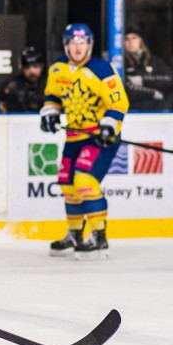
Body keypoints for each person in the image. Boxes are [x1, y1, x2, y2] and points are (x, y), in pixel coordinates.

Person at [40, 23, 129, 260]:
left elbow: (118, 102)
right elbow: (52, 96)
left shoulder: (102, 69)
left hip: (99, 138)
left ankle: (99, 238)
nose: (77, 48)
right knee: (68, 185)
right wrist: (50, 113)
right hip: (73, 137)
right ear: (66, 45)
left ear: (89, 45)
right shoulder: (58, 69)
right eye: (73, 43)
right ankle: (75, 235)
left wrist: (109, 125)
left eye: (82, 43)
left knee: (85, 181)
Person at [122, 28, 173, 111]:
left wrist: (143, 80)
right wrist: (152, 93)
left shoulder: (153, 60)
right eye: (126, 39)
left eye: (134, 38)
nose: (130, 42)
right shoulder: (121, 62)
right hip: (133, 110)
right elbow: (126, 90)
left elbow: (169, 80)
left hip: (158, 108)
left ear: (140, 40)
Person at [0, 46, 45, 113]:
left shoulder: (49, 85)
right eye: (27, 67)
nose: (32, 71)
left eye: (36, 66)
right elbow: (7, 114)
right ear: (22, 68)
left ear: (42, 67)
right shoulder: (11, 87)